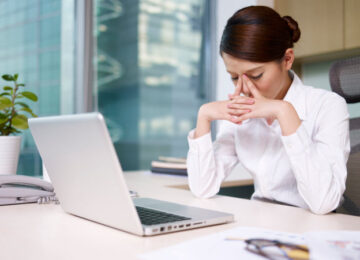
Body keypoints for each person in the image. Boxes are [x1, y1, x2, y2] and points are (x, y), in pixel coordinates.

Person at [186, 6, 350, 215]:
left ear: (287, 59)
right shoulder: (241, 111)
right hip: (261, 224)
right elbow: (203, 188)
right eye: (234, 77)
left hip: (314, 229)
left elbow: (324, 203)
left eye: (255, 76)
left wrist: (284, 112)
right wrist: (204, 116)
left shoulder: (328, 106)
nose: (244, 89)